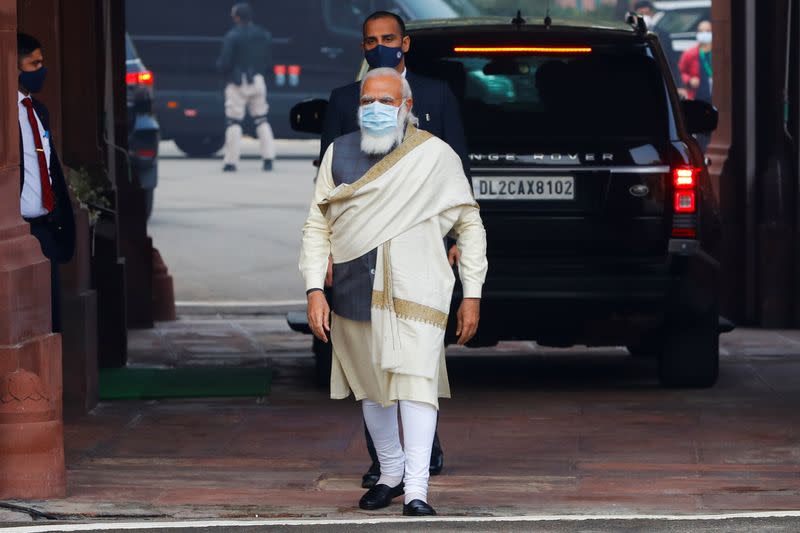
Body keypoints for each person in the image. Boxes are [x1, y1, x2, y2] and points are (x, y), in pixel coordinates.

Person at [299, 68, 487, 516]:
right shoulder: (337, 154)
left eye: (387, 101)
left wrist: (473, 293)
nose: (376, 109)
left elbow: (469, 223)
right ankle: (390, 473)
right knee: (371, 387)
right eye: (367, 102)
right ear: (357, 107)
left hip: (418, 290)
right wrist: (313, 289)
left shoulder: (435, 155)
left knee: (415, 384)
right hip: (351, 288)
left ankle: (418, 490)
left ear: (407, 107)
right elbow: (316, 225)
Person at [319, 10, 470, 489]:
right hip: (360, 250)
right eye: (370, 40)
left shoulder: (435, 93)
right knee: (369, 359)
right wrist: (326, 252)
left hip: (418, 247)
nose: (379, 46)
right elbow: (327, 186)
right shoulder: (346, 99)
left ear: (405, 43)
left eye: (388, 39)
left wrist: (452, 240)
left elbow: (457, 171)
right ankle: (385, 463)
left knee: (415, 354)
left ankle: (424, 458)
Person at [17, 32, 76, 333]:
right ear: (14, 67)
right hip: (17, 230)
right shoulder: (7, 114)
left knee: (49, 322)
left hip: (45, 229)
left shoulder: (38, 110)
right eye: (34, 63)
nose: (42, 70)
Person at [216, 2, 276, 172]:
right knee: (261, 119)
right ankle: (268, 158)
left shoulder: (232, 36)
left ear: (237, 17)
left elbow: (225, 62)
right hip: (258, 80)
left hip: (237, 82)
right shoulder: (263, 34)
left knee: (234, 121)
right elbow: (268, 60)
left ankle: (231, 161)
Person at [633, 1, 681, 92]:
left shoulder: (663, 35)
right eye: (641, 14)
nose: (644, 17)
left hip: (659, 79)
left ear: (651, 14)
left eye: (647, 14)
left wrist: (679, 85)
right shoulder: (630, 34)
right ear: (635, 16)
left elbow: (671, 61)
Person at [678, 20, 713, 102]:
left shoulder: (719, 53)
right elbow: (680, 72)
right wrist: (689, 80)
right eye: (701, 31)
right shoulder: (689, 53)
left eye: (708, 31)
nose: (704, 34)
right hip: (697, 97)